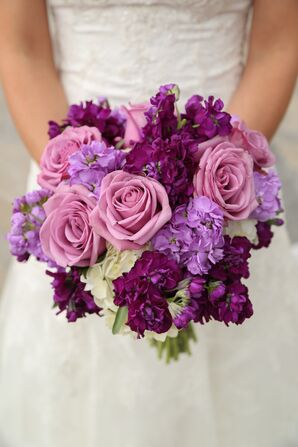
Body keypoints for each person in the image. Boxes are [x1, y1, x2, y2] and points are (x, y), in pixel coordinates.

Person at [0, 1, 297, 446]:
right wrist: (80, 193)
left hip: (225, 185)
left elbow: (277, 46)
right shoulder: (75, 200)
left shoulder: (219, 186)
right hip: (72, 185)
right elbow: (23, 49)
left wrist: (210, 190)